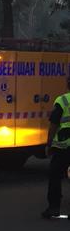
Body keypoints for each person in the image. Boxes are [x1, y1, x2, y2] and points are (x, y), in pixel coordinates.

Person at [42, 77, 70, 218]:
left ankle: (54, 208)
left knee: (55, 176)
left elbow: (53, 124)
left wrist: (49, 144)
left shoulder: (62, 101)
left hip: (63, 147)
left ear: (68, 84)